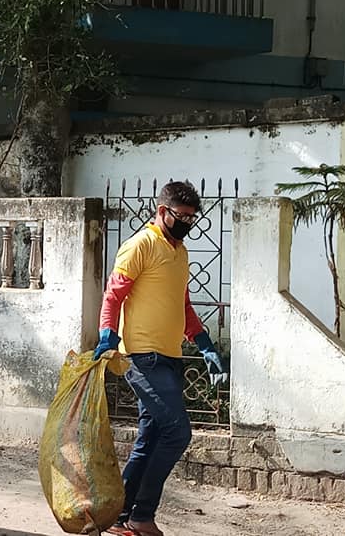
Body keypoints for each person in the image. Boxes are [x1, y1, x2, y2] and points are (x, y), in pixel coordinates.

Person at [95, 182, 228, 536]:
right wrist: (107, 334)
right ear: (162, 211)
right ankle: (142, 514)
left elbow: (183, 306)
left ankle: (119, 516)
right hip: (143, 357)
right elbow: (113, 296)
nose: (186, 223)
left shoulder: (180, 252)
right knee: (177, 432)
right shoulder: (140, 245)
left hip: (170, 357)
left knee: (151, 437)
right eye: (181, 216)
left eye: (191, 218)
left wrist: (204, 343)